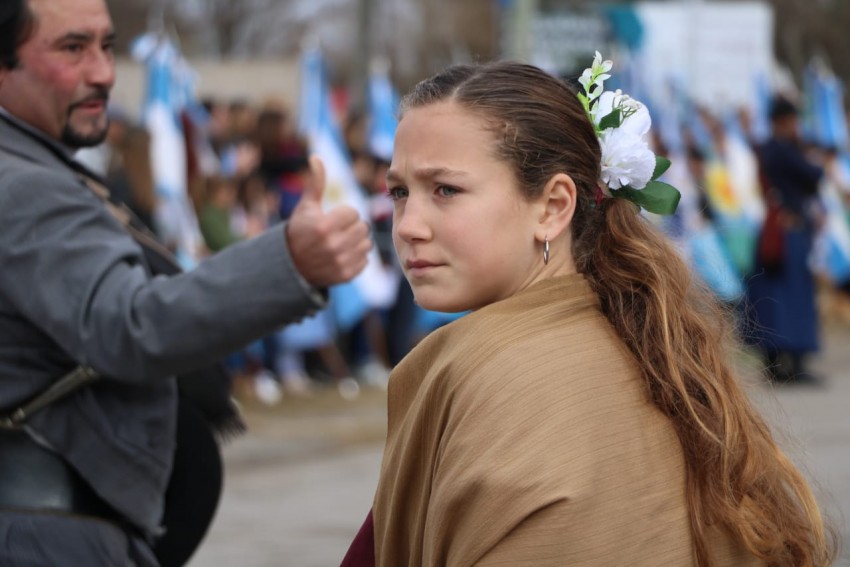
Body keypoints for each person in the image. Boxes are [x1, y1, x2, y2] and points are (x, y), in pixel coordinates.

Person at [341, 58, 836, 566]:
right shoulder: (633, 333)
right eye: (399, 192)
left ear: (554, 206)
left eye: (445, 189)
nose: (407, 226)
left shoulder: (489, 368)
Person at [0, 0, 372, 566]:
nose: (102, 72)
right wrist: (290, 261)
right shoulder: (25, 185)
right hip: (44, 538)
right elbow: (132, 325)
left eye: (105, 45)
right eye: (71, 48)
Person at [745, 96, 828, 385]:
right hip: (785, 232)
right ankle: (791, 362)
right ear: (785, 121)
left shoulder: (768, 149)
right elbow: (813, 174)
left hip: (776, 230)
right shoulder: (781, 149)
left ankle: (778, 363)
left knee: (773, 299)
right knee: (791, 298)